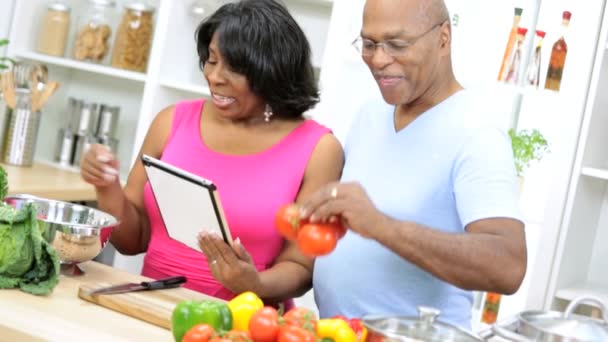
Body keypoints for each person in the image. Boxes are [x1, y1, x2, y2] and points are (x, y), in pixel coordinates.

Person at [80, 0, 343, 305]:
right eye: (212, 60)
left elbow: (301, 268)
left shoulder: (318, 149)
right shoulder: (172, 122)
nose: (215, 76)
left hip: (241, 326)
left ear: (273, 72)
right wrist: (107, 186)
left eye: (234, 67)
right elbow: (131, 241)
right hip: (150, 309)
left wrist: (253, 282)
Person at [299, 0, 527, 328]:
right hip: (336, 332)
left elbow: (508, 266)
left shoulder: (478, 133)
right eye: (369, 43)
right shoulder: (370, 113)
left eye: (397, 44)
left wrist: (382, 226)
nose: (378, 59)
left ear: (444, 38)